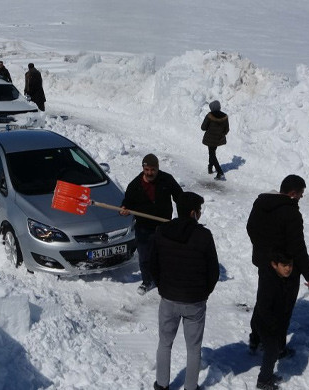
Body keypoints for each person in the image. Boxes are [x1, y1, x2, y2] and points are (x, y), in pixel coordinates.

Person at [150, 192, 219, 390]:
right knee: (194, 348)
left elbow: (152, 263)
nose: (200, 214)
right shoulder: (204, 236)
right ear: (192, 213)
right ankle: (190, 387)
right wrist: (203, 292)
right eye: (199, 211)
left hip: (169, 299)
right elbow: (213, 271)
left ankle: (162, 385)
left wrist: (163, 286)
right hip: (194, 302)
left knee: (165, 343)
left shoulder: (162, 231)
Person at [246, 174, 309, 357]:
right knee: (282, 309)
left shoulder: (261, 203)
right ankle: (278, 347)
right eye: (300, 193)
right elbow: (297, 246)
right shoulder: (291, 213)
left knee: (264, 301)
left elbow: (251, 228)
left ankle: (256, 338)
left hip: (265, 264)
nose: (301, 197)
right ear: (292, 193)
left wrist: (264, 252)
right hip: (286, 269)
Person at [120, 153, 183, 295]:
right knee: (145, 257)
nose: (150, 173)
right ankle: (147, 281)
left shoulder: (166, 179)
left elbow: (180, 196)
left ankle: (165, 279)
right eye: (147, 170)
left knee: (165, 255)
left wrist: (184, 213)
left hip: (164, 226)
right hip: (144, 228)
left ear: (158, 168)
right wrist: (124, 209)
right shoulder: (135, 185)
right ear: (143, 168)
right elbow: (127, 203)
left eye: (153, 170)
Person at [252, 252, 295, 390]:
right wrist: (273, 325)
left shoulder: (282, 278)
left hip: (273, 322)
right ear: (274, 265)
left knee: (274, 350)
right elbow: (263, 307)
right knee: (272, 352)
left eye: (290, 265)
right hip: (266, 322)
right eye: (284, 265)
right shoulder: (269, 282)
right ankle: (263, 381)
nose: (288, 268)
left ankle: (267, 375)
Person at [200, 100, 229, 181]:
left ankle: (220, 172)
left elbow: (203, 127)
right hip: (218, 139)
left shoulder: (209, 116)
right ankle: (210, 167)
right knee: (212, 152)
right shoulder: (225, 116)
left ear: (212, 108)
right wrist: (220, 134)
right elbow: (227, 130)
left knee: (212, 154)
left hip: (210, 138)